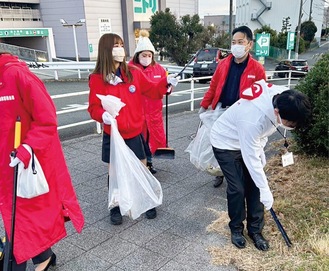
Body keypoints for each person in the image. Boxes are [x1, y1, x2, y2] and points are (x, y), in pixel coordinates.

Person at [0, 52, 84, 270]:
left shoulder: (17, 76)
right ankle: (44, 256)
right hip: (4, 167)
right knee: (19, 218)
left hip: (22, 165)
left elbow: (47, 119)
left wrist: (27, 148)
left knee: (19, 218)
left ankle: (33, 261)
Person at [210, 79, 312, 251]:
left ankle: (255, 230)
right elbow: (250, 158)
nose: (292, 127)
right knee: (238, 188)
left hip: (249, 138)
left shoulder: (287, 97)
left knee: (255, 187)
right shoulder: (252, 118)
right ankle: (236, 229)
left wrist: (260, 151)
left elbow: (259, 137)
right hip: (226, 142)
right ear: (277, 112)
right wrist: (266, 189)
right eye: (290, 124)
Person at [88, 33, 178, 225]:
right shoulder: (97, 78)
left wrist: (166, 83)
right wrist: (102, 115)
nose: (120, 49)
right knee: (114, 172)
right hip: (113, 134)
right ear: (105, 50)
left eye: (121, 45)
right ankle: (115, 205)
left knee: (142, 167)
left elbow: (153, 90)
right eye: (115, 46)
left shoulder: (134, 73)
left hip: (135, 131)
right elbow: (93, 107)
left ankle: (147, 201)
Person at [199, 26, 266, 188]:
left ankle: (238, 175)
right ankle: (220, 172)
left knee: (240, 145)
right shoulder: (223, 64)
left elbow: (263, 93)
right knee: (219, 144)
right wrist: (205, 105)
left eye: (240, 42)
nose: (236, 45)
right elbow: (213, 86)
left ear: (249, 44)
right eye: (234, 42)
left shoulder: (256, 68)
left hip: (243, 115)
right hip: (221, 111)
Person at [129, 29, 167, 175]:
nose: (146, 58)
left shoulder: (159, 69)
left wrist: (169, 87)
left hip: (153, 111)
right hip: (136, 112)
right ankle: (136, 164)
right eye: (144, 55)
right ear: (138, 55)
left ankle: (149, 163)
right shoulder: (129, 69)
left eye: (149, 55)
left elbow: (164, 90)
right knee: (138, 140)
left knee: (153, 139)